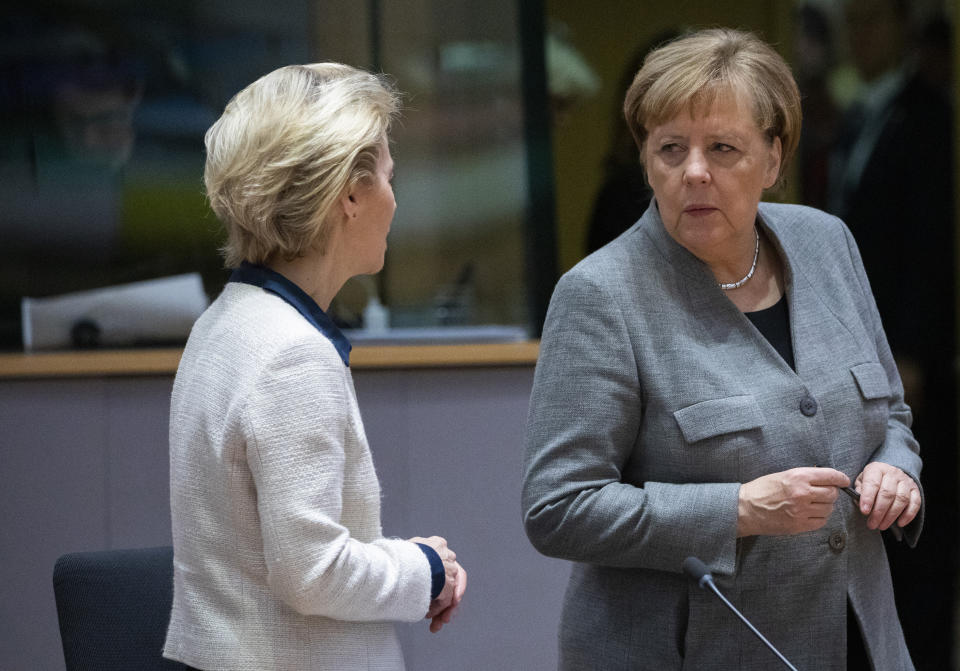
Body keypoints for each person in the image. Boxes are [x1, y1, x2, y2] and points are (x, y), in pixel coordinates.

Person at [522, 29, 922, 670]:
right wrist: (738, 510)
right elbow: (558, 507)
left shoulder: (828, 243)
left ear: (774, 157)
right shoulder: (600, 295)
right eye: (671, 149)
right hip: (691, 651)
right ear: (645, 158)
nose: (695, 171)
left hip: (858, 639)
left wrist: (897, 471)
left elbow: (891, 417)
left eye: (723, 148)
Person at [163, 63, 466, 671]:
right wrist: (426, 569)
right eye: (386, 176)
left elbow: (275, 548)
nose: (394, 199)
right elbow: (313, 573)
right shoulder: (292, 354)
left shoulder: (226, 321)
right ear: (349, 195)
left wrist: (401, 561)